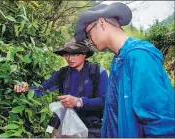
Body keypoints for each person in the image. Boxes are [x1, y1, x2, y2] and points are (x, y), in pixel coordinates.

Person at [74, 2, 175, 138]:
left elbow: (159, 122)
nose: (89, 41)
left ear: (102, 23)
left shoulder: (139, 56)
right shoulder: (118, 59)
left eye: (89, 34)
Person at [14, 38, 108, 138]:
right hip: (67, 124)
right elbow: (43, 89)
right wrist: (27, 89)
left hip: (91, 127)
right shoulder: (62, 73)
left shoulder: (96, 72)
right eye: (66, 54)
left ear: (84, 54)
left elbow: (104, 101)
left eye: (74, 54)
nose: (69, 58)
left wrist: (78, 102)